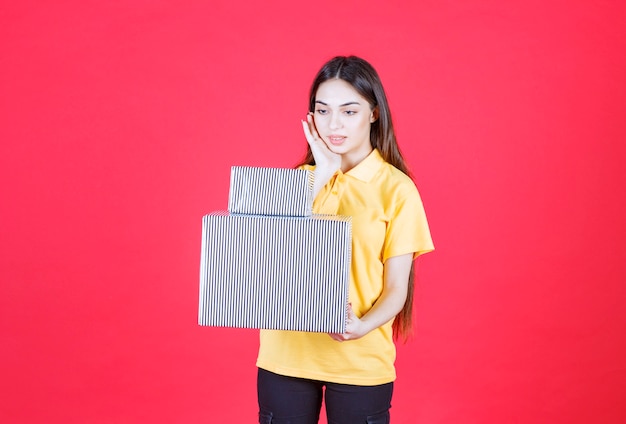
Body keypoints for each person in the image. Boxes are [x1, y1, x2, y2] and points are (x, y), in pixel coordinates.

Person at [256, 55, 434, 424]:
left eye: (348, 112)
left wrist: (361, 327)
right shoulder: (296, 183)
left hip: (360, 359)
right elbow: (261, 254)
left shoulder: (397, 190)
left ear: (373, 114)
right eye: (322, 111)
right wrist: (321, 175)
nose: (333, 125)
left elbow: (397, 288)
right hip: (285, 354)